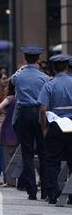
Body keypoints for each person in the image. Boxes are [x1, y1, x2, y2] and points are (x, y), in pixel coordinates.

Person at [11, 45, 49, 200]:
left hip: (24, 114)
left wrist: (21, 68)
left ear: (25, 59)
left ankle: (31, 190)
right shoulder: (44, 78)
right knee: (43, 152)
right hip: (40, 114)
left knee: (26, 153)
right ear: (38, 59)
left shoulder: (18, 76)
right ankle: (45, 190)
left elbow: (12, 80)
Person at [38, 54, 72, 204]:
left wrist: (44, 128)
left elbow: (43, 108)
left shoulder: (49, 84)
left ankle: (52, 193)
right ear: (67, 67)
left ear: (53, 68)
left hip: (56, 124)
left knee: (52, 161)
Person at [0, 81, 19, 187]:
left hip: (9, 129)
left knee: (8, 156)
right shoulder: (21, 99)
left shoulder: (10, 98)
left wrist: (8, 113)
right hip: (19, 130)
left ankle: (10, 181)